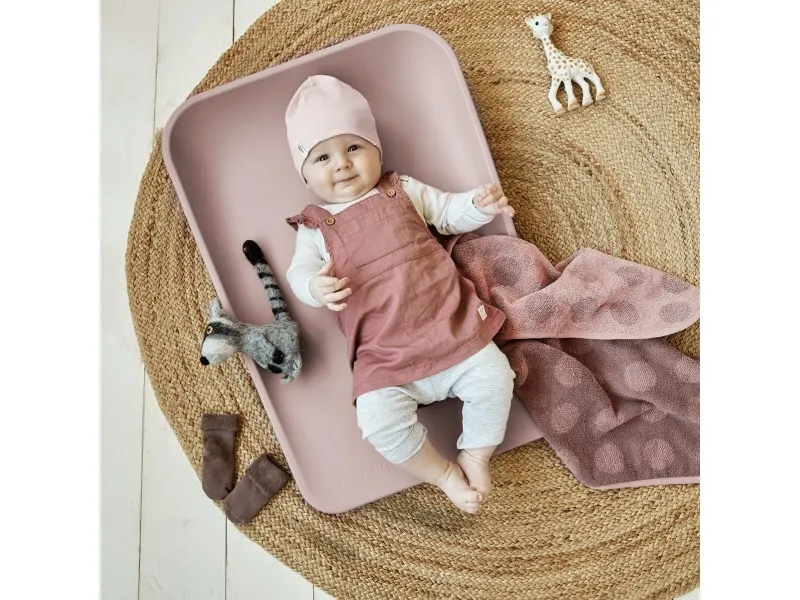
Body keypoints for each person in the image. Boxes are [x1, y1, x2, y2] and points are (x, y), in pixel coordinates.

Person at [285, 75, 516, 513]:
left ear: (377, 150)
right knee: (377, 423)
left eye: (354, 147)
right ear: (305, 173)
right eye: (323, 157)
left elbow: (448, 213)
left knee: (495, 377)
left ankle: (476, 453)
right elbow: (299, 273)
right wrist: (315, 286)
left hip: (452, 331)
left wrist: (477, 207)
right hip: (385, 360)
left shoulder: (402, 190)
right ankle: (442, 474)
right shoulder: (314, 228)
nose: (342, 164)